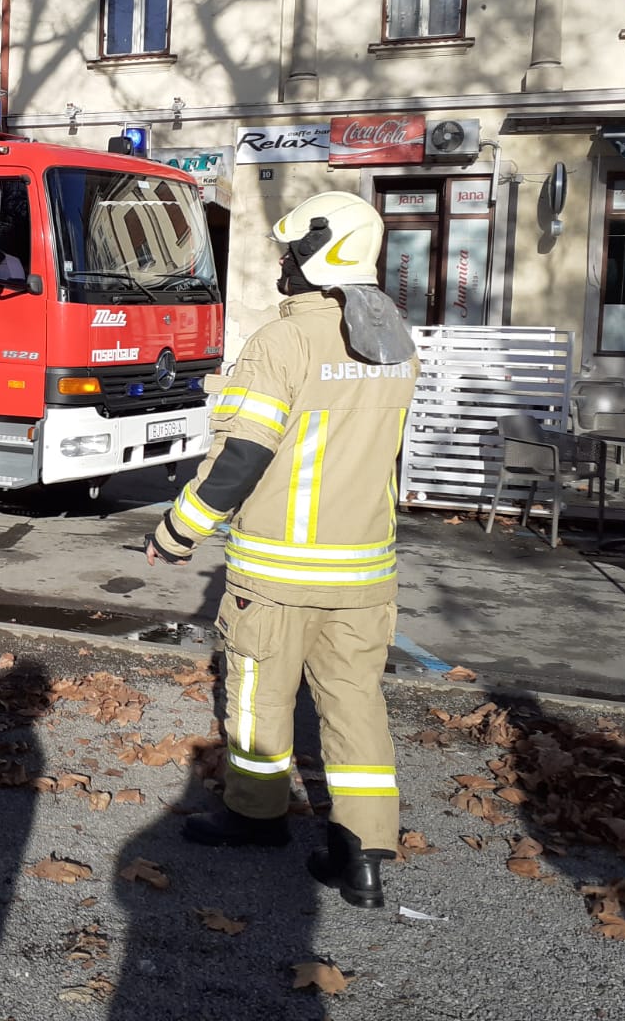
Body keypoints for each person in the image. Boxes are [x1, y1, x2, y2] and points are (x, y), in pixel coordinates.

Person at [144, 190, 419, 909]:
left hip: (280, 572)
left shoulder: (284, 341)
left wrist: (178, 531)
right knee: (355, 706)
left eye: (289, 254)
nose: (281, 266)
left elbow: (241, 459)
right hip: (366, 572)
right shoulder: (392, 339)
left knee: (261, 697)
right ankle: (362, 859)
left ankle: (254, 818)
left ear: (318, 256)